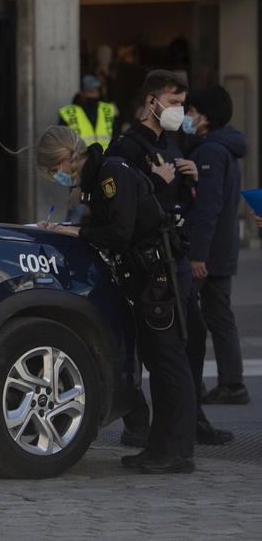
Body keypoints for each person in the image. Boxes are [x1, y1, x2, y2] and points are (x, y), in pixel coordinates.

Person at [36, 126, 195, 474]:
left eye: (52, 169)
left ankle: (178, 449)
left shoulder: (110, 173)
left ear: (65, 158)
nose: (55, 176)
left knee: (168, 360)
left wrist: (73, 231)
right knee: (155, 358)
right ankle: (159, 446)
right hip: (148, 277)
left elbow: (119, 233)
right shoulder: (97, 178)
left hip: (160, 276)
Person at [104, 70, 232, 448]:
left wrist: (187, 178)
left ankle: (187, 424)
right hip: (150, 263)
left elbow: (176, 198)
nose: (179, 111)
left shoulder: (174, 142)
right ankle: (151, 429)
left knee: (191, 340)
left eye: (182, 103)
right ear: (152, 101)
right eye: (173, 103)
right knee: (161, 352)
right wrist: (157, 181)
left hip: (175, 254)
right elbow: (127, 208)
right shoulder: (127, 147)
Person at [184, 85, 249, 404]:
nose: (186, 116)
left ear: (205, 118)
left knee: (184, 315)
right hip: (223, 249)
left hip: (207, 253)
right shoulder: (225, 147)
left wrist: (197, 254)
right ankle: (233, 384)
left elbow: (208, 206)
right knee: (220, 315)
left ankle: (192, 386)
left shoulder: (210, 152)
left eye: (191, 111)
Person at [59, 74, 119, 149]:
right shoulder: (68, 112)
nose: (94, 95)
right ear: (82, 93)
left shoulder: (108, 109)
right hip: (80, 158)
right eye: (90, 91)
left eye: (96, 91)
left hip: (105, 157)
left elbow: (116, 136)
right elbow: (63, 142)